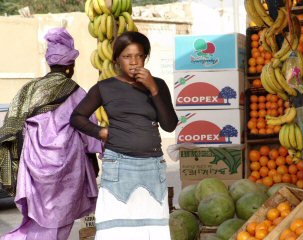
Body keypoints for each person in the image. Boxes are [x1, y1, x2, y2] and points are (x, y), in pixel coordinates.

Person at [70, 31, 178, 240]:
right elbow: (77, 117)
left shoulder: (158, 85)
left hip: (153, 165)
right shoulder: (105, 88)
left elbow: (169, 125)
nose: (134, 62)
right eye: (127, 57)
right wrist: (99, 131)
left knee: (154, 228)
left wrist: (153, 89)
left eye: (139, 56)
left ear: (145, 57)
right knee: (118, 230)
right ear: (117, 60)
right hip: (119, 164)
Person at [0, 27, 102, 240]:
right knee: (59, 222)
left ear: (50, 62)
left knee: (39, 222)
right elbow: (91, 135)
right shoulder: (77, 92)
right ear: (71, 65)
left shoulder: (28, 89)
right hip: (69, 171)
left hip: (34, 169)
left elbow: (10, 127)